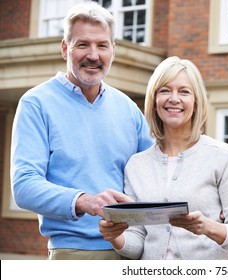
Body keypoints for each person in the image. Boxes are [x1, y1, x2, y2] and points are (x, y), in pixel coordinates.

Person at [10, 2, 154, 260]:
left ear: (113, 50)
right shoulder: (36, 104)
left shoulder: (129, 109)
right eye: (83, 44)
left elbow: (155, 174)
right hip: (75, 253)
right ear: (65, 48)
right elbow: (24, 186)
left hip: (132, 249)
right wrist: (84, 201)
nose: (93, 55)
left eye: (102, 45)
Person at [99, 56, 228, 259]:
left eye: (184, 91)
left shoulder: (222, 156)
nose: (174, 98)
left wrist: (206, 227)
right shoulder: (137, 165)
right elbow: (138, 244)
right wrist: (115, 237)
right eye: (165, 90)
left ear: (196, 101)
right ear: (154, 101)